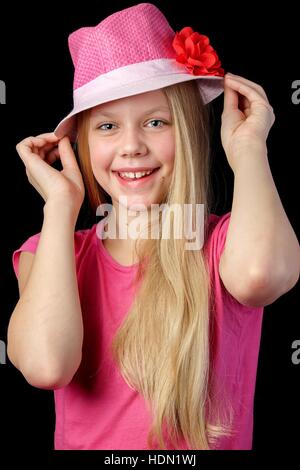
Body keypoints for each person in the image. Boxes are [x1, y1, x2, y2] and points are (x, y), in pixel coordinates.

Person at [7, 3, 299, 451]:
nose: (131, 147)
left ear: (187, 131)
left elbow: (266, 275)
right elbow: (46, 365)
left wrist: (248, 150)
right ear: (80, 146)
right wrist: (60, 207)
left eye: (156, 122)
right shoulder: (51, 251)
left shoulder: (225, 244)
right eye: (107, 126)